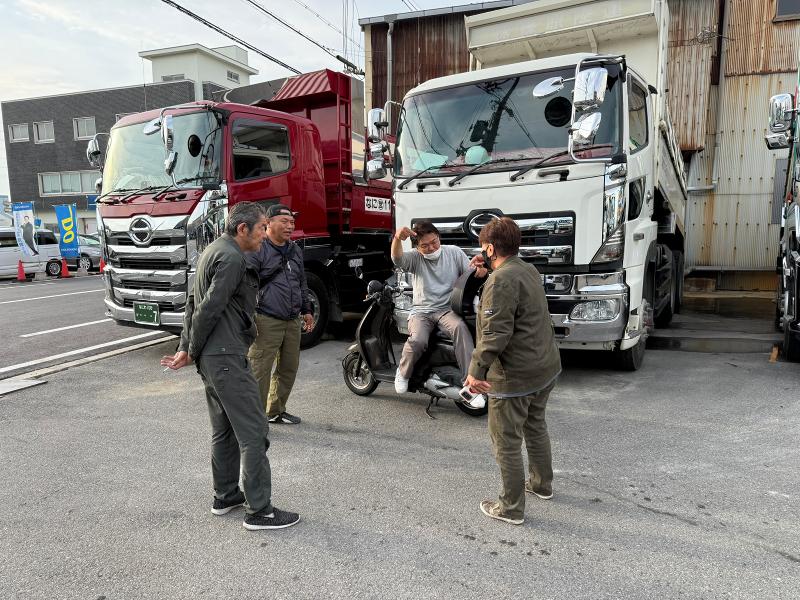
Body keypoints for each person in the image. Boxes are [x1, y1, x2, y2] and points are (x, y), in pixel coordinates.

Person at [161, 201, 300, 531]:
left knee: (224, 430)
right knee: (254, 431)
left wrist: (187, 348)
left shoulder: (212, 251)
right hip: (224, 357)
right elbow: (208, 308)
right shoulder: (234, 258)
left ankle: (225, 496)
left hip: (213, 359)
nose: (265, 234)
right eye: (262, 228)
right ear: (242, 228)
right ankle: (260, 511)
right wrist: (191, 350)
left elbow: (192, 304)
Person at [465, 217, 562, 526]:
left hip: (515, 375)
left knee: (506, 442)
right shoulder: (527, 269)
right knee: (535, 426)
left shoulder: (501, 280)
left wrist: (475, 371)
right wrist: (488, 271)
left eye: (484, 247)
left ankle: (510, 508)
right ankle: (541, 484)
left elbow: (495, 334)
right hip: (543, 367)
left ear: (491, 248)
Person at [391, 221, 487, 407]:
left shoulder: (454, 252)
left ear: (439, 237)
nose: (431, 248)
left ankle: (470, 385)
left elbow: (470, 274)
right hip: (421, 311)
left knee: (460, 328)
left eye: (434, 242)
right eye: (425, 245)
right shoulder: (415, 258)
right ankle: (402, 373)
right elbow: (397, 259)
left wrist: (480, 272)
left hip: (447, 310)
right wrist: (397, 238)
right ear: (417, 247)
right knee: (418, 340)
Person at [247, 204, 314, 425]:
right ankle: (254, 420)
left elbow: (301, 281)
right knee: (260, 371)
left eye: (292, 222)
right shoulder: (258, 248)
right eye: (284, 222)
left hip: (292, 320)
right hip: (265, 319)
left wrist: (307, 310)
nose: (290, 226)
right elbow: (247, 284)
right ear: (269, 222)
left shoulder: (294, 249)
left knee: (288, 368)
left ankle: (275, 411)